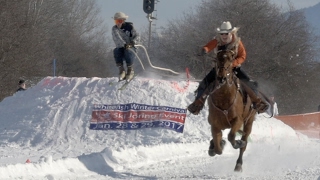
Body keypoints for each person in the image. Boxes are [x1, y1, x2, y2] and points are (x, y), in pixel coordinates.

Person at [187, 21, 268, 115]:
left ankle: (258, 103)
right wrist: (205, 50)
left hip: (234, 68)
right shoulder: (217, 40)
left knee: (249, 83)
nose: (224, 36)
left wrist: (233, 63)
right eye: (222, 33)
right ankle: (197, 105)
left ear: (231, 33)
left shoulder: (237, 42)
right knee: (204, 84)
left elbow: (243, 56)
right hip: (219, 68)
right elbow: (209, 46)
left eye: (226, 33)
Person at [112, 12, 139, 81]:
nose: (118, 23)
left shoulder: (130, 27)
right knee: (116, 51)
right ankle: (122, 70)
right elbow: (117, 38)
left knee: (128, 50)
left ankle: (130, 69)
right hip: (121, 47)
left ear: (123, 21)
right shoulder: (115, 29)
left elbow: (137, 36)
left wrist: (132, 42)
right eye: (116, 21)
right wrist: (124, 44)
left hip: (131, 48)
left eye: (120, 21)